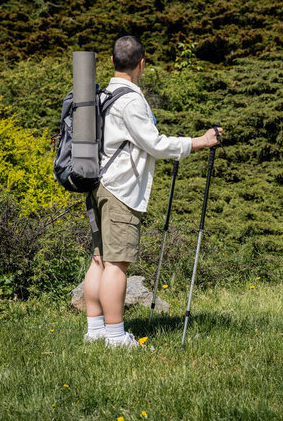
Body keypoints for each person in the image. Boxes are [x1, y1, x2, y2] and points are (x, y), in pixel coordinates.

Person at [83, 35, 223, 347]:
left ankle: (95, 331)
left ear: (112, 61)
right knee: (116, 264)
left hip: (97, 185)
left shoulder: (103, 94)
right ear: (142, 64)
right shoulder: (130, 101)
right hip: (120, 189)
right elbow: (156, 145)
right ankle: (116, 337)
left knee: (100, 259)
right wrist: (200, 141)